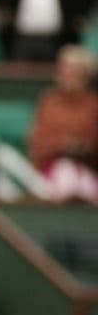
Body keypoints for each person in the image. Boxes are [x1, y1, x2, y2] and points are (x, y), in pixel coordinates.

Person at [27, 44, 98, 204]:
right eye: (64, 71)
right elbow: (37, 143)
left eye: (74, 73)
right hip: (51, 170)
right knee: (66, 176)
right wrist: (62, 145)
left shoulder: (93, 105)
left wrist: (84, 148)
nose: (67, 76)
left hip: (88, 170)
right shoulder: (49, 102)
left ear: (85, 76)